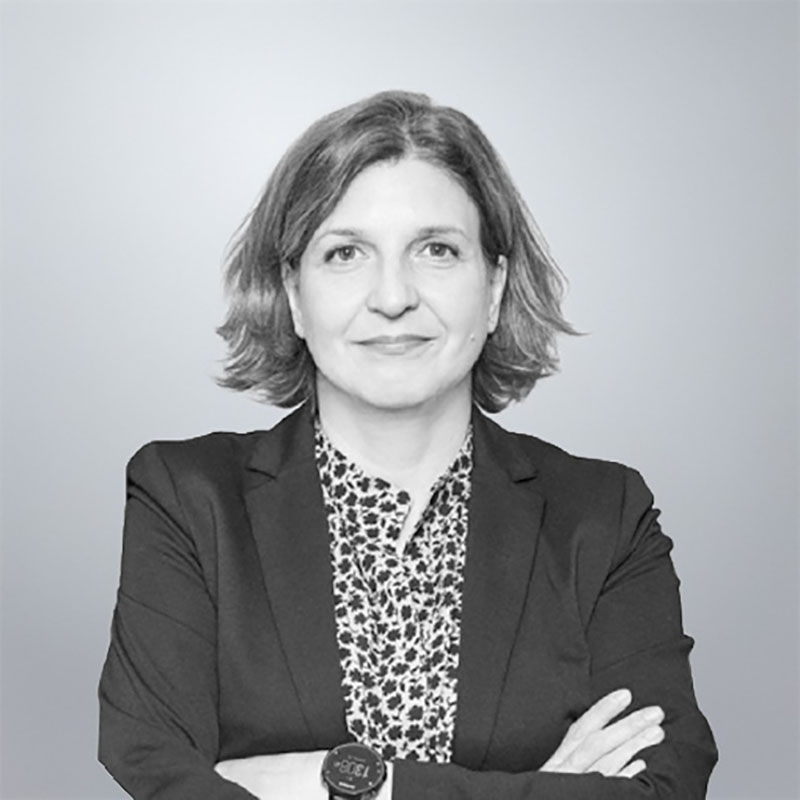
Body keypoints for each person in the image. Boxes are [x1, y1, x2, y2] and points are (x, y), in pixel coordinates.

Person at [98, 90, 717, 799]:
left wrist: (351, 784)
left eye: (437, 250)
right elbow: (158, 770)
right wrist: (537, 789)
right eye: (345, 253)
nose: (392, 297)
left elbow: (662, 790)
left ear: (494, 287)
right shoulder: (187, 498)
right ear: (293, 294)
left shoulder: (604, 515)